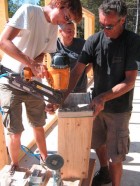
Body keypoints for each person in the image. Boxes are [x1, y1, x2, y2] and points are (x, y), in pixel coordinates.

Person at [46, 0, 140, 185]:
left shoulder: (133, 41)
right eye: (102, 24)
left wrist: (103, 97)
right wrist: (59, 99)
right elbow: (76, 72)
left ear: (123, 20)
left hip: (119, 108)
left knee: (117, 155)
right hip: (97, 105)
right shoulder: (93, 40)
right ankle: (104, 171)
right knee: (98, 143)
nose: (105, 29)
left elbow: (129, 81)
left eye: (110, 26)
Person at [0, 0, 82, 174]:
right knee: (15, 131)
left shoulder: (53, 27)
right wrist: (30, 63)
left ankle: (46, 160)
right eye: (66, 17)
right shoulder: (29, 11)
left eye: (68, 21)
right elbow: (3, 41)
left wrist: (36, 66)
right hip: (10, 79)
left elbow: (42, 53)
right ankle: (15, 166)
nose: (63, 23)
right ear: (59, 4)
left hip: (31, 83)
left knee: (38, 124)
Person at [54, 22, 92, 93]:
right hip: (60, 88)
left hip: (79, 87)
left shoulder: (82, 43)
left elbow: (92, 59)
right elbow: (41, 54)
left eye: (73, 30)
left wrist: (83, 72)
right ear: (60, 31)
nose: (72, 33)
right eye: (69, 31)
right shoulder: (54, 45)